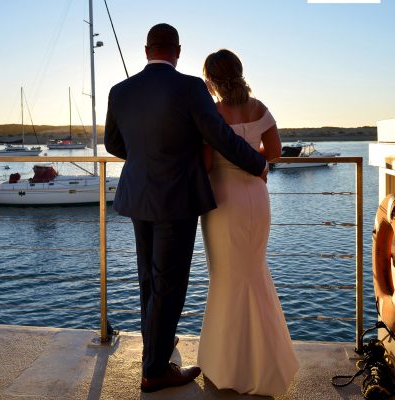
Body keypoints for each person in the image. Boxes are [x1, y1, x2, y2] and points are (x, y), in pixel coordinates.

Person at [104, 24, 268, 393]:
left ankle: (157, 347)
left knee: (148, 278)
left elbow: (113, 143)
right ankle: (156, 369)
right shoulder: (191, 87)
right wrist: (257, 164)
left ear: (147, 50)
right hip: (177, 198)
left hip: (138, 196)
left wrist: (148, 158)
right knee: (171, 283)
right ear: (177, 51)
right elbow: (219, 136)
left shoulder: (120, 91)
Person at [198, 49, 299, 396]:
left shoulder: (212, 113)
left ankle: (228, 365)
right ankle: (267, 363)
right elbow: (273, 153)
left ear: (211, 79)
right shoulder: (259, 108)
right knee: (255, 272)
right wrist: (249, 158)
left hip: (223, 201)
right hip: (256, 198)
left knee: (225, 279)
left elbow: (207, 164)